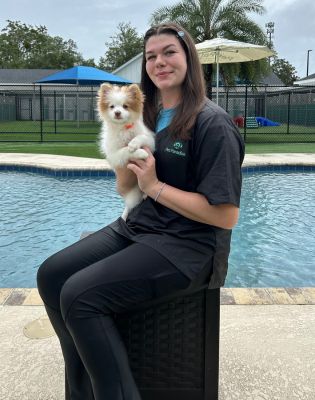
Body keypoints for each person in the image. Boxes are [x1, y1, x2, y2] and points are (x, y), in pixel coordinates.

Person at [37, 22, 244, 400]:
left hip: (188, 246)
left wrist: (154, 186)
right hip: (140, 227)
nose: (159, 62)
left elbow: (226, 216)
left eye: (169, 52)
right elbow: (125, 188)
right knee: (51, 276)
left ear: (188, 59)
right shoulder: (146, 116)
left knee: (80, 297)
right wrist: (123, 160)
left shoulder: (213, 124)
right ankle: (82, 389)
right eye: (151, 56)